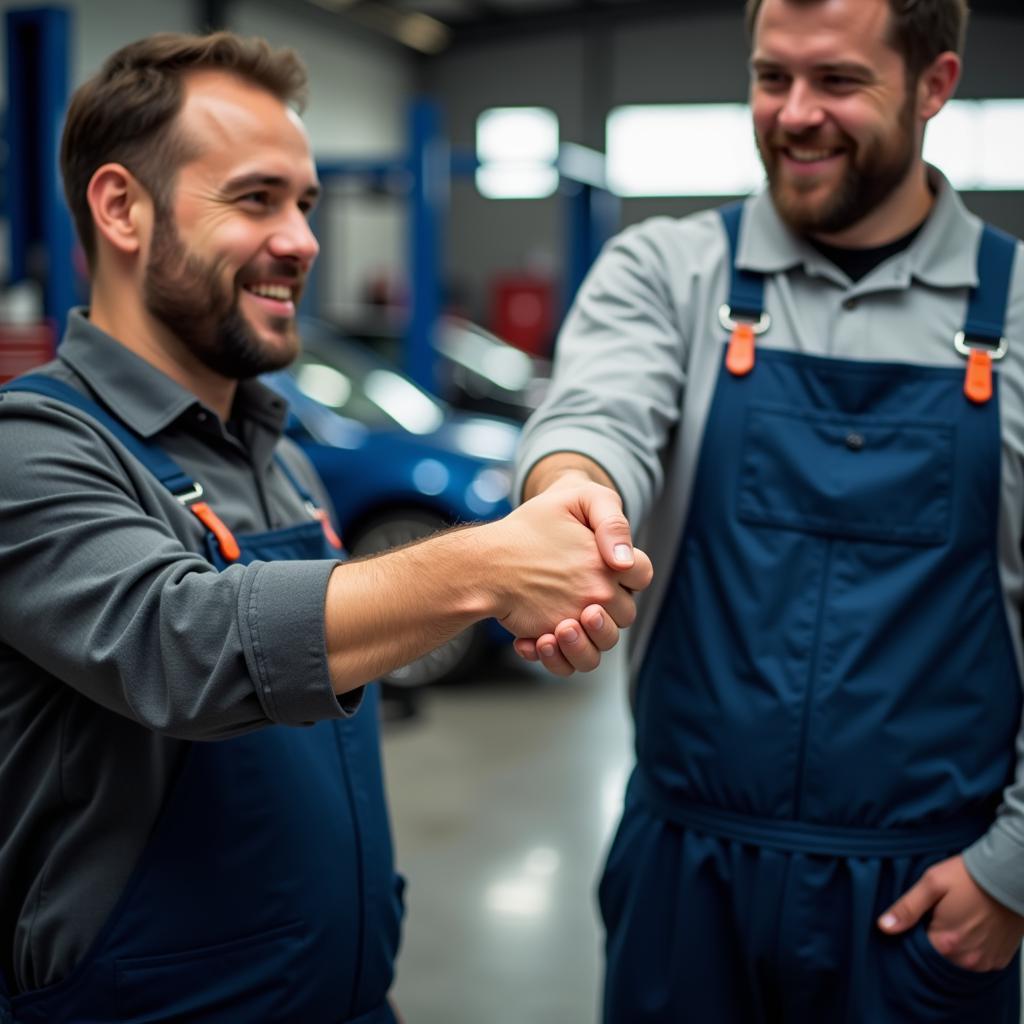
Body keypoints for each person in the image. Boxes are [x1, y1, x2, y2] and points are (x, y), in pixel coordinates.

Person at [0, 32, 653, 1024]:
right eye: (257, 198)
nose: (304, 239)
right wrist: (487, 565)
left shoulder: (283, 456)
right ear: (122, 208)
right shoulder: (36, 448)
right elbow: (185, 645)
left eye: (305, 203)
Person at [515, 0, 1024, 1020]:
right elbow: (596, 413)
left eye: (837, 81)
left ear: (933, 84)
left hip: (923, 890)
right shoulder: (664, 272)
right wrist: (568, 495)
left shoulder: (1014, 313)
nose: (793, 114)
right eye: (769, 77)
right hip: (683, 868)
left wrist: (1011, 870)